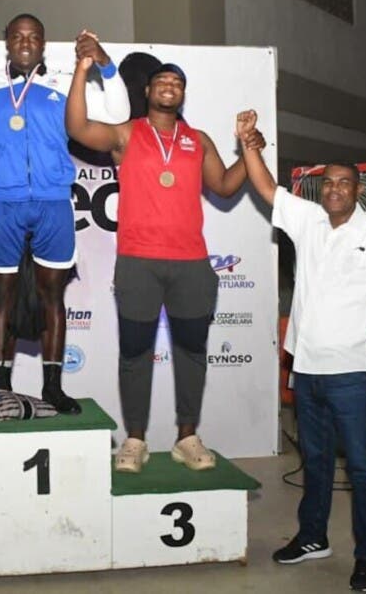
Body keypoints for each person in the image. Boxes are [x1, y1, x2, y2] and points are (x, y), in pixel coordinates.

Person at [237, 120, 366, 593]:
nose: (335, 189)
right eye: (329, 182)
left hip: (354, 373)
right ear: (322, 189)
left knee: (361, 467)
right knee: (315, 461)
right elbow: (263, 186)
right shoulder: (307, 220)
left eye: (344, 183)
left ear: (357, 190)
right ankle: (313, 537)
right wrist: (246, 144)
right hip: (308, 369)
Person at [0, 14, 130, 414]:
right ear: (6, 42)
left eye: (33, 36)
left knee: (53, 296)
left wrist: (105, 63)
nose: (25, 42)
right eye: (17, 36)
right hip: (2, 204)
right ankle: (1, 386)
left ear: (43, 43)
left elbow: (118, 114)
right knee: (5, 297)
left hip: (53, 202)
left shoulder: (61, 86)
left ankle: (52, 386)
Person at [65, 57, 263, 472]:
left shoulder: (199, 140)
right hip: (138, 263)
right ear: (148, 91)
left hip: (191, 264)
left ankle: (186, 437)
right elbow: (78, 128)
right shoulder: (127, 134)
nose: (169, 85)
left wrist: (249, 148)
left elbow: (225, 185)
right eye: (161, 81)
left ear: (182, 94)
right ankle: (134, 440)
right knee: (135, 354)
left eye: (176, 81)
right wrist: (83, 69)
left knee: (192, 352)